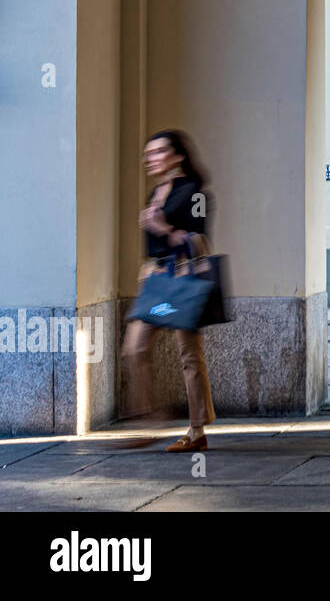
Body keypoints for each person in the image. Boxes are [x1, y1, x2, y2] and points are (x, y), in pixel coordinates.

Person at [121, 130, 217, 452]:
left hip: (182, 284)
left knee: (189, 354)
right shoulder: (154, 193)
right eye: (148, 153)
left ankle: (196, 429)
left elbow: (200, 241)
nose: (151, 158)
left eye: (159, 152)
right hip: (156, 285)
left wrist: (164, 229)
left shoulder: (196, 193)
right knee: (135, 347)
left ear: (177, 155)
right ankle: (151, 419)